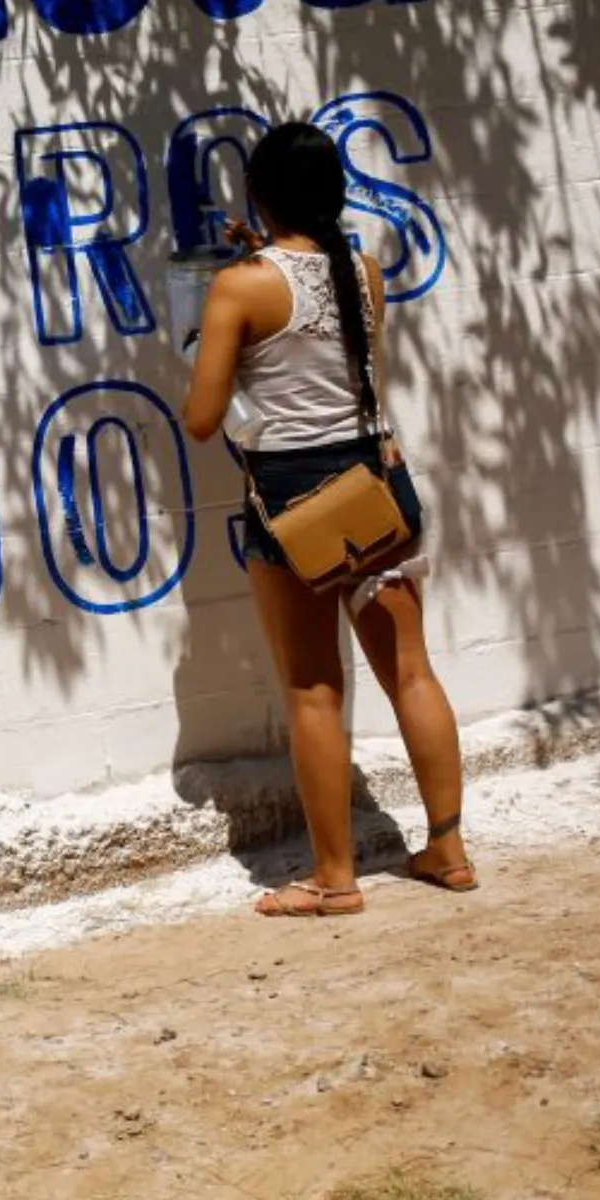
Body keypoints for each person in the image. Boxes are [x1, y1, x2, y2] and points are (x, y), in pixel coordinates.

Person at [180, 122, 476, 919]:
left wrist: (203, 338)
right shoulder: (364, 269)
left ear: (261, 194)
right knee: (410, 670)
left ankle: (333, 876)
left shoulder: (238, 287)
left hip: (295, 500)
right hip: (378, 487)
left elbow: (204, 417)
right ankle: (447, 847)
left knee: (315, 688)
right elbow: (310, 302)